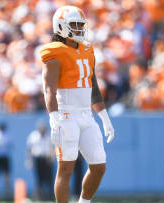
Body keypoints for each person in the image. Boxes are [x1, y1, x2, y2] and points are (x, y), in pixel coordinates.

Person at [39, 5, 115, 203]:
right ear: (61, 27)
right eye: (74, 25)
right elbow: (49, 90)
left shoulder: (87, 49)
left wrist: (104, 116)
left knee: (99, 166)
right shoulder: (55, 52)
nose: (79, 29)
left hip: (86, 116)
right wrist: (54, 118)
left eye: (81, 25)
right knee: (65, 169)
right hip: (66, 115)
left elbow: (93, 85)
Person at [25, 119, 55, 200]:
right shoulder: (33, 136)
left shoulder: (49, 136)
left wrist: (52, 157)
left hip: (47, 159)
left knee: (49, 178)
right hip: (38, 159)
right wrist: (29, 160)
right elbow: (29, 149)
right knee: (39, 178)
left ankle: (50, 196)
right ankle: (39, 196)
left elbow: (52, 148)